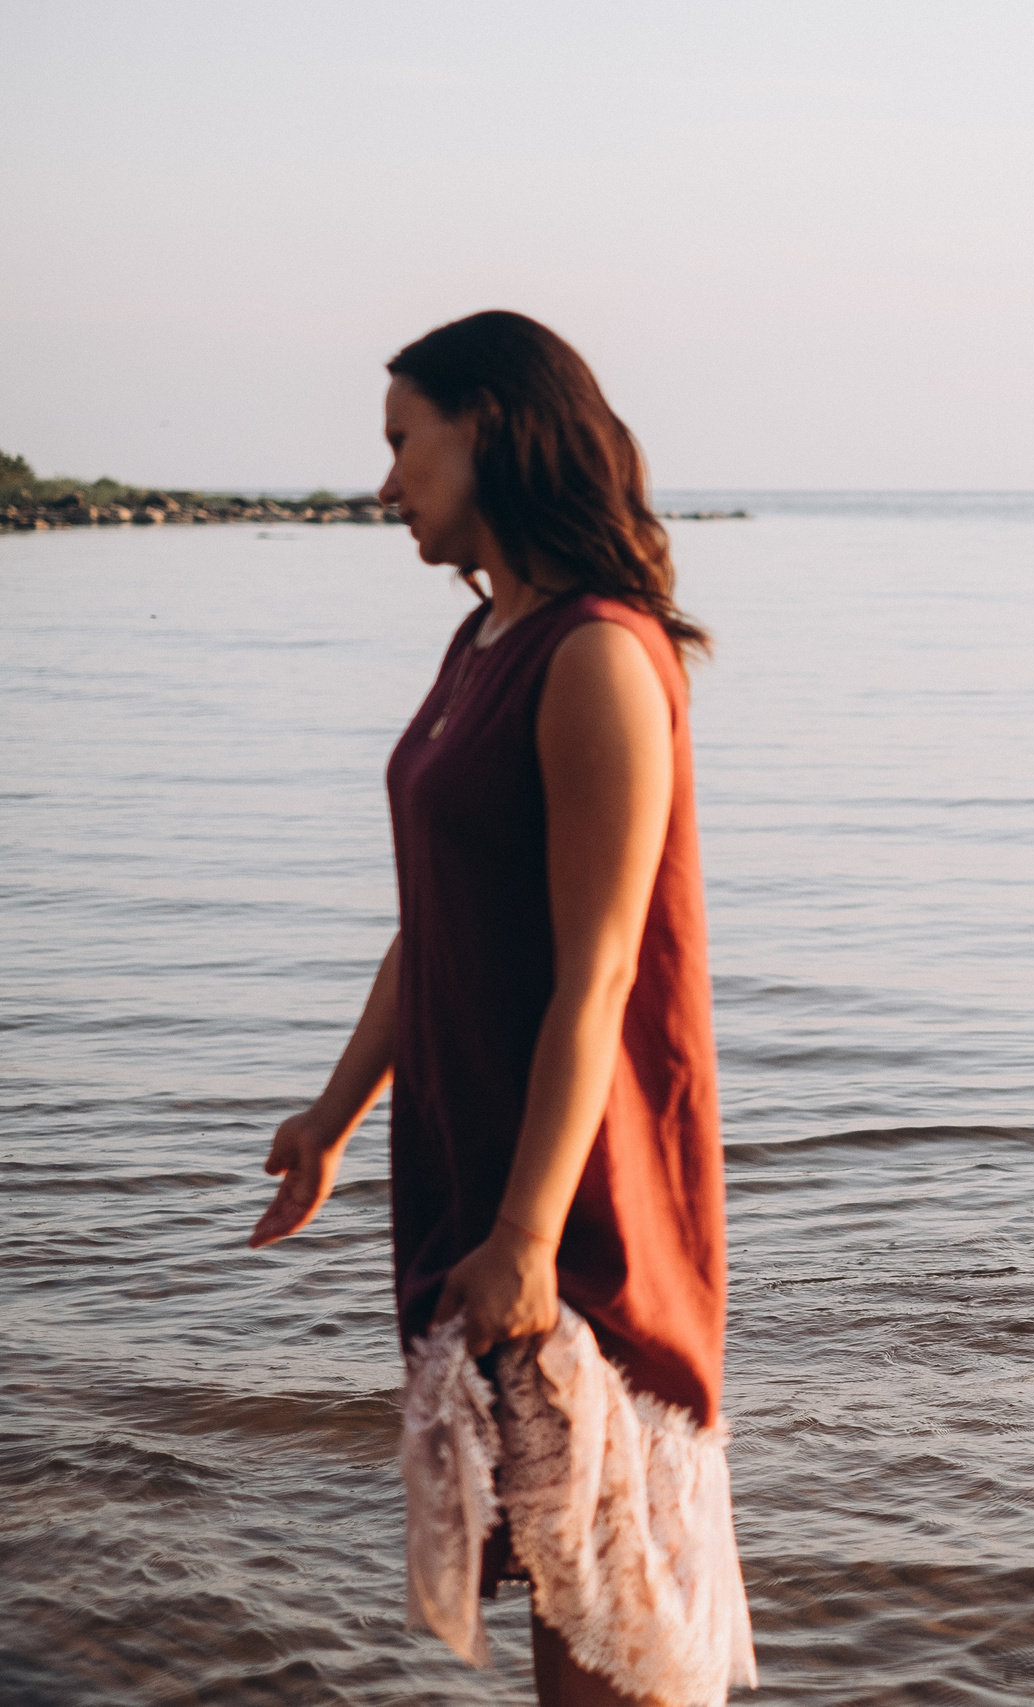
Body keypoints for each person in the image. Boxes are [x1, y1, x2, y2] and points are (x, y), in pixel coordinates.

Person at [247, 311, 753, 1706]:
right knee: (560, 1593)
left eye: (406, 441)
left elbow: (597, 972)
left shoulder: (595, 652)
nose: (386, 481)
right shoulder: (484, 639)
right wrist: (335, 1112)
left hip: (581, 1194)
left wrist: (530, 1233)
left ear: (495, 428)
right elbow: (436, 921)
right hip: (482, 1160)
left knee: (608, 1622)